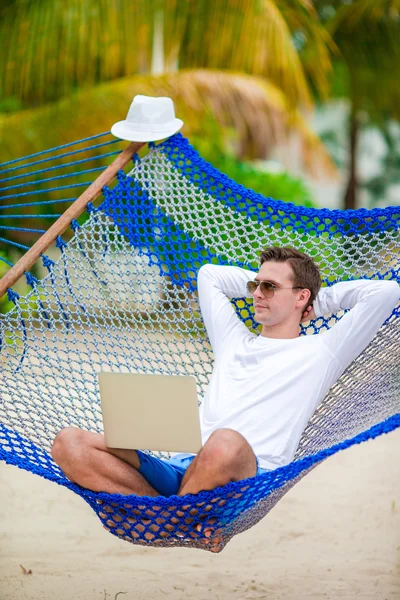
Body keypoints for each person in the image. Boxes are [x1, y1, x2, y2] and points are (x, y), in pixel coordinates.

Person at [51, 246, 399, 500]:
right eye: (255, 286)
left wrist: (314, 303)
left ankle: (173, 515)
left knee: (225, 441)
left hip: (246, 476)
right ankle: (168, 512)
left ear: (301, 297)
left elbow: (387, 293)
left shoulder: (324, 350)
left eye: (270, 287)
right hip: (182, 468)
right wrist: (274, 287)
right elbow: (210, 275)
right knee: (70, 443)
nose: (257, 294)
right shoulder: (233, 339)